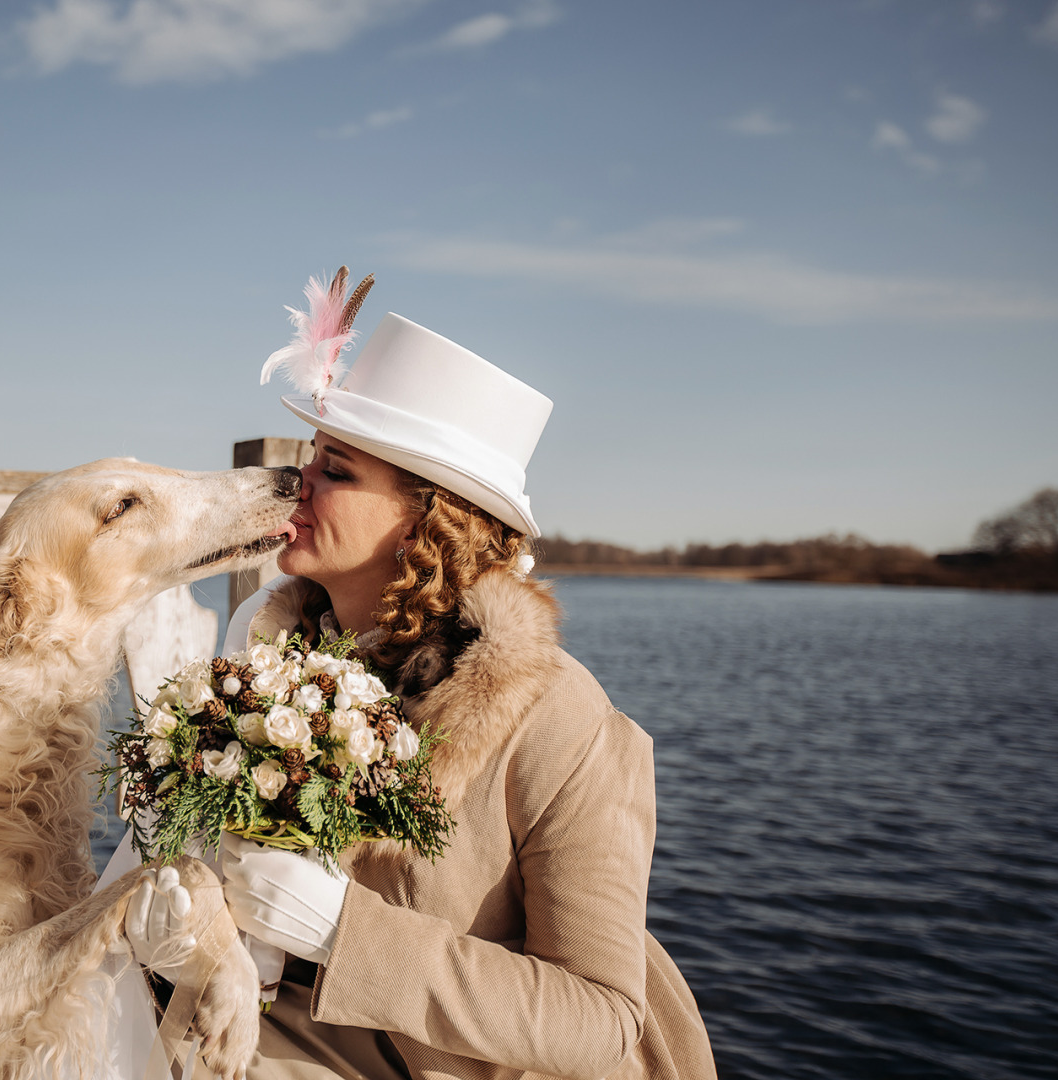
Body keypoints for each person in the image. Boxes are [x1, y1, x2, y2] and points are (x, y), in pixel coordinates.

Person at [202, 298, 718, 1080]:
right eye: (312, 458)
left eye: (334, 470)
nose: (296, 484)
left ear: (424, 525)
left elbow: (602, 1020)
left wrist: (346, 932)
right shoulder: (267, 651)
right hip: (296, 1037)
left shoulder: (562, 719)